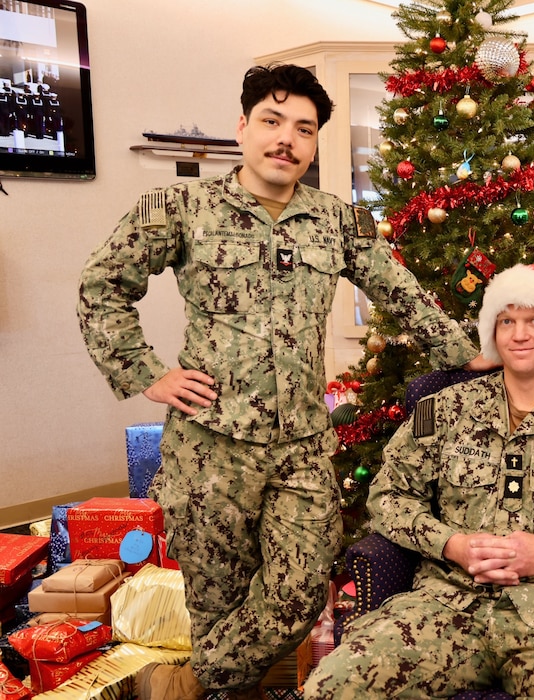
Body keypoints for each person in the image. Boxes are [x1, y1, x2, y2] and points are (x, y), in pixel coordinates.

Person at [77, 64, 492, 700]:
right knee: (217, 600)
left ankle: (192, 679)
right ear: (242, 127)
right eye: (272, 122)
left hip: (300, 445)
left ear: (315, 142)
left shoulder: (337, 221)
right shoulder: (182, 209)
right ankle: (229, 689)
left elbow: (396, 290)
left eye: (304, 128)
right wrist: (147, 374)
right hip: (208, 448)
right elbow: (103, 286)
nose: (286, 140)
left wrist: (467, 352)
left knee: (299, 594)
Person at [305, 263, 534, 699]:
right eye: (507, 321)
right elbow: (389, 497)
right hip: (444, 606)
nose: (520, 335)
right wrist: (450, 544)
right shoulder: (442, 410)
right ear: (493, 332)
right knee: (335, 684)